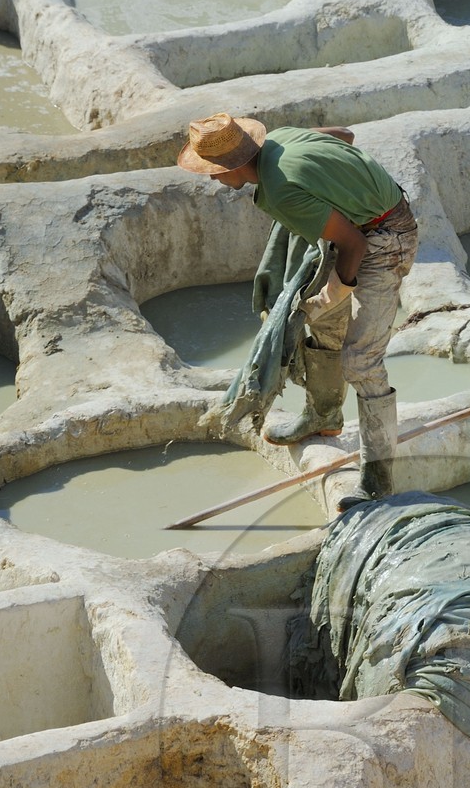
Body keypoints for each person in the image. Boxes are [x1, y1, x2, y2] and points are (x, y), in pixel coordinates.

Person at [177, 112, 418, 506]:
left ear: (235, 164)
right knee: (318, 322)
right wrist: (340, 185)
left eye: (214, 171)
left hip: (386, 240)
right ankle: (323, 415)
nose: (213, 179)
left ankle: (377, 480)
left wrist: (338, 289)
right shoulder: (280, 138)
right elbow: (345, 135)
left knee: (361, 362)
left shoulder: (281, 191)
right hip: (370, 221)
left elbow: (355, 245)